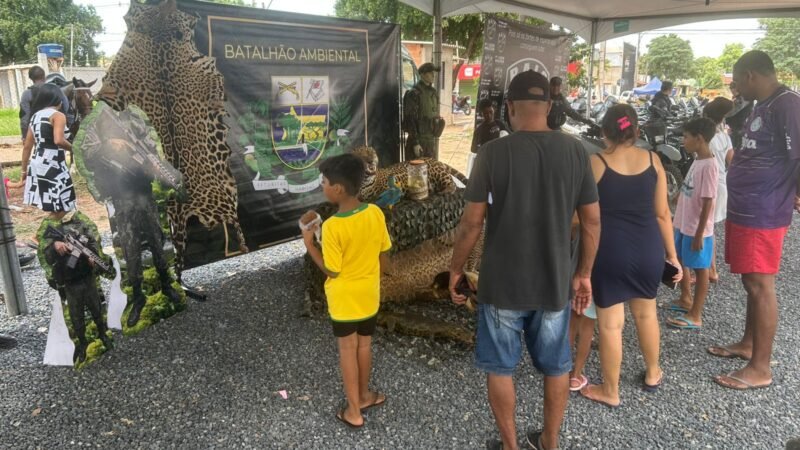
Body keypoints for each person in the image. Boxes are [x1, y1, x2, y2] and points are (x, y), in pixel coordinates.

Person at [448, 70, 601, 450]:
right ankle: (549, 442)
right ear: (549, 107)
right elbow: (593, 220)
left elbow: (471, 223)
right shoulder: (576, 151)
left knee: (500, 367)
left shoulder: (492, 153)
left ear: (510, 107)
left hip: (502, 284)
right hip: (554, 281)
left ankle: (511, 446)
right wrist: (583, 273)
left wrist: (455, 270)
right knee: (556, 366)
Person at [580, 104, 681, 408]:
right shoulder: (653, 160)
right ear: (636, 131)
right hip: (649, 248)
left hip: (609, 251)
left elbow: (581, 213)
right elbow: (663, 214)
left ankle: (610, 391)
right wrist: (673, 257)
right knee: (647, 313)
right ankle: (652, 372)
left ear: (603, 132)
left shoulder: (595, 162)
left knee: (611, 325)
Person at [710, 51, 800, 390]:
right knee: (750, 282)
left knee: (762, 285)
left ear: (750, 75)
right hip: (747, 206)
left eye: (736, 79)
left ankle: (760, 367)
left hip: (764, 209)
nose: (735, 87)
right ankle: (748, 344)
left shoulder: (788, 104)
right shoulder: (763, 104)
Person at [301, 154, 392, 428]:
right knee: (364, 345)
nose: (322, 186)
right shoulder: (375, 212)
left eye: (324, 182)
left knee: (347, 350)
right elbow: (384, 254)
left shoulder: (332, 227)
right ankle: (364, 396)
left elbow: (332, 270)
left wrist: (309, 243)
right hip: (369, 296)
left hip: (344, 301)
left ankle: (354, 411)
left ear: (338, 189)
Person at [37, 210, 113, 363]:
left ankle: (103, 335)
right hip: (70, 282)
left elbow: (92, 243)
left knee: (96, 309)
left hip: (87, 277)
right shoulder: (49, 228)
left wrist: (91, 256)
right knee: (76, 316)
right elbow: (46, 255)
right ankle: (82, 344)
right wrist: (55, 245)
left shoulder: (81, 222)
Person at [666, 118, 719, 330]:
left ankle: (696, 314)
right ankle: (685, 298)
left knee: (700, 269)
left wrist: (699, 234)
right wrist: (677, 196)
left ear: (699, 139)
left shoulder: (710, 165)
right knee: (679, 258)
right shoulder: (697, 160)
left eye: (686, 137)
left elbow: (708, 201)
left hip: (697, 229)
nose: (683, 140)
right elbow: (690, 186)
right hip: (684, 223)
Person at [8, 83, 76, 215]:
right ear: (59, 99)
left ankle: (51, 234)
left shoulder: (36, 116)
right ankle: (40, 235)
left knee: (55, 208)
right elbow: (59, 140)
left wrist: (23, 172)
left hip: (38, 164)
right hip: (54, 165)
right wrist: (75, 149)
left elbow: (27, 147)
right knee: (64, 206)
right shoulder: (58, 116)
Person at [702, 97, 735, 283]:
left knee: (706, 231)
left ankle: (711, 270)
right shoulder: (724, 136)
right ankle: (710, 269)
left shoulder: (708, 139)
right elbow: (732, 160)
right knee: (709, 230)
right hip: (722, 185)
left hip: (711, 187)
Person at [403, 63, 444, 159]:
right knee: (416, 173)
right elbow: (410, 119)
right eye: (430, 73)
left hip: (430, 140)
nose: (433, 75)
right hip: (418, 141)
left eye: (433, 72)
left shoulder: (433, 93)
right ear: (422, 74)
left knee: (431, 172)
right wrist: (415, 143)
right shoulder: (414, 93)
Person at [468, 99, 509, 176]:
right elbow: (473, 149)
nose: (489, 115)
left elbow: (509, 137)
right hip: (488, 164)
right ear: (481, 114)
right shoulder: (479, 130)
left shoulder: (499, 124)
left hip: (501, 161)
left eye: (490, 112)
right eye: (486, 113)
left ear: (493, 109)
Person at [18, 66, 46, 140]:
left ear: (30, 78)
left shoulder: (27, 94)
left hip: (37, 131)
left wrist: (24, 136)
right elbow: (67, 109)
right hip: (58, 129)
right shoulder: (56, 90)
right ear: (44, 76)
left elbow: (24, 116)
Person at [725, 82, 754, 151]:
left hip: (740, 128)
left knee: (737, 149)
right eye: (731, 89)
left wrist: (721, 115)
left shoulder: (744, 97)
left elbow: (732, 111)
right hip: (736, 128)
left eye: (733, 89)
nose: (732, 92)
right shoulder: (738, 97)